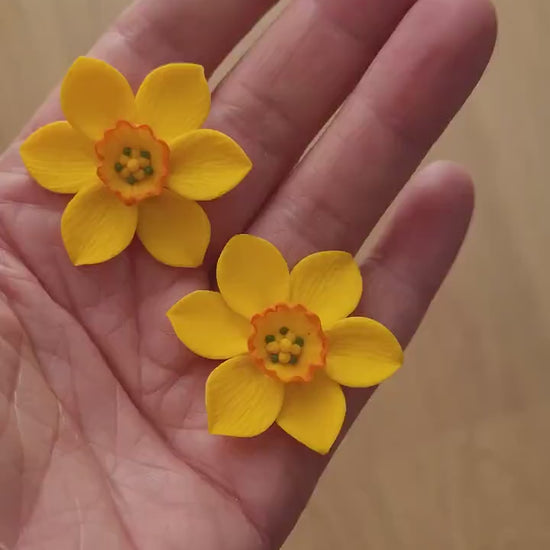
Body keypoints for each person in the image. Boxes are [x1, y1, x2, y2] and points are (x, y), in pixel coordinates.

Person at [0, 0, 496, 548]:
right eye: (131, 166)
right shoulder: (100, 203)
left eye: (281, 346)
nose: (135, 166)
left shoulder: (204, 234)